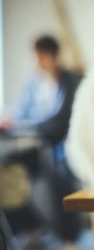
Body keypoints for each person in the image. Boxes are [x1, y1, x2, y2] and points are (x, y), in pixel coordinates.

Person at [0, 35, 82, 245]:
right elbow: (22, 110)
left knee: (61, 173)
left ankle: (69, 236)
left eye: (37, 56)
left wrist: (23, 123)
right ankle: (31, 228)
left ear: (48, 56)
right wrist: (10, 119)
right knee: (9, 170)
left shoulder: (69, 81)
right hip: (40, 145)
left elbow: (60, 122)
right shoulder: (34, 83)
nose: (35, 62)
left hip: (63, 145)